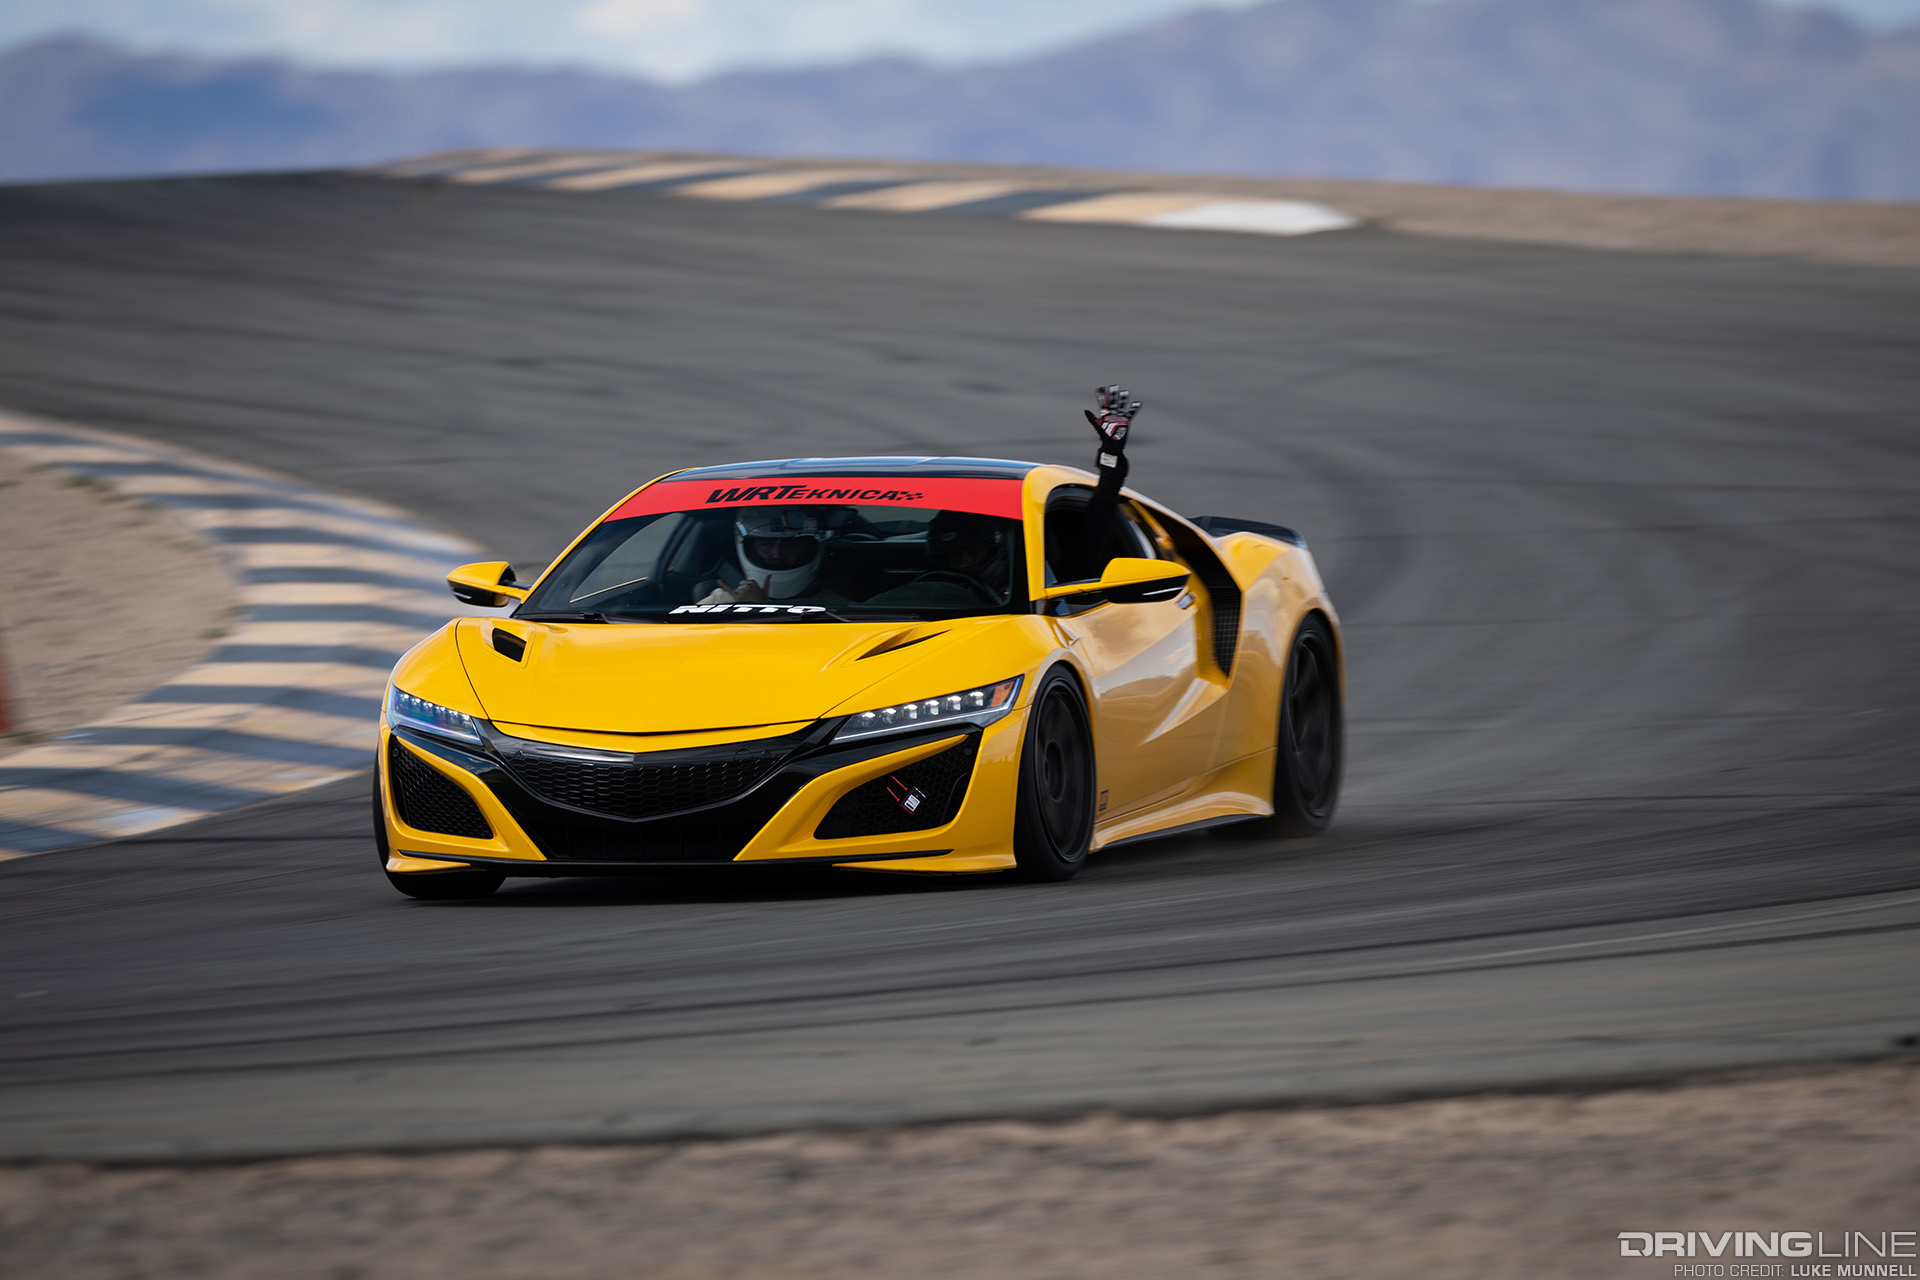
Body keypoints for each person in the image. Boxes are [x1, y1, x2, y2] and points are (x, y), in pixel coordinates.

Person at [864, 510, 1010, 608]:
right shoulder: (915, 595)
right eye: (954, 556)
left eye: (973, 553)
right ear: (940, 559)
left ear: (992, 552)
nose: (965, 563)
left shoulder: (1019, 588)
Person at [699, 507, 837, 604]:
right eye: (766, 544)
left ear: (810, 547)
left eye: (790, 544)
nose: (777, 554)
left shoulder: (836, 608)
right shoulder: (719, 602)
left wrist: (757, 609)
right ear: (749, 548)